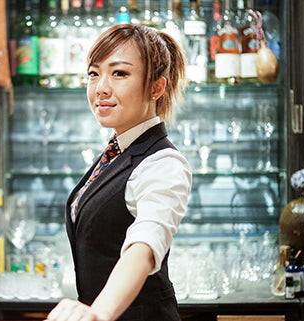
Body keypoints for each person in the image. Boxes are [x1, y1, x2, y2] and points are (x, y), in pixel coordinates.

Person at [45, 24, 192, 321]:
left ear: (156, 87)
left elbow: (144, 245)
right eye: (94, 73)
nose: (101, 88)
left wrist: (99, 313)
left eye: (119, 73)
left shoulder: (163, 163)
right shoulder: (118, 151)